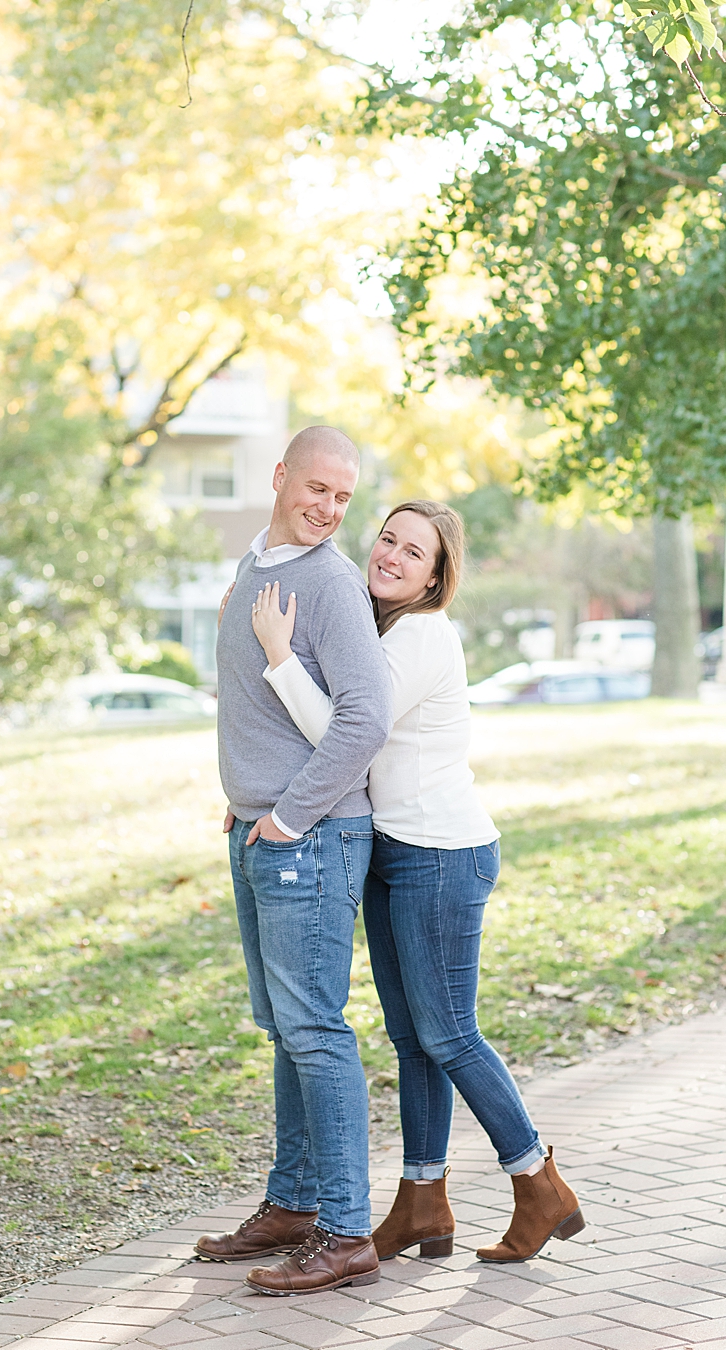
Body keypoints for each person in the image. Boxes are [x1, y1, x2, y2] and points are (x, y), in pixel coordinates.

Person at [249, 498, 585, 1266]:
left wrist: (279, 655)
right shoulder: (379, 630)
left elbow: (343, 731)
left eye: (414, 552)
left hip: (443, 852)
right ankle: (423, 1203)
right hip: (394, 849)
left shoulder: (422, 635)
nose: (392, 556)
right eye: (388, 539)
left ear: (437, 576)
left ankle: (538, 1180)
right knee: (412, 1042)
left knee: (448, 1034)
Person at [194, 426, 392, 1295]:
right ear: (279, 477)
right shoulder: (261, 569)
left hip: (309, 838)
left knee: (314, 1030)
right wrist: (246, 803)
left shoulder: (331, 583)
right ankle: (293, 1206)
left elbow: (365, 720)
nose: (329, 509)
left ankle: (347, 1231)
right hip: (260, 832)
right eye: (317, 488)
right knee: (286, 1030)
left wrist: (286, 815)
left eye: (344, 498)